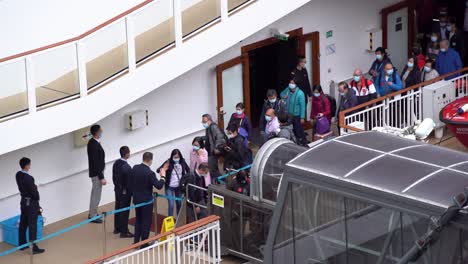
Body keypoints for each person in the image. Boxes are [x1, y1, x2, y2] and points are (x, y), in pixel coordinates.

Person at [132, 152, 165, 248]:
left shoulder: (135, 168)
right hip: (146, 201)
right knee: (146, 221)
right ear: (150, 160)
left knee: (138, 220)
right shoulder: (150, 173)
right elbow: (159, 186)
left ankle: (136, 242)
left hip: (137, 199)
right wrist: (163, 176)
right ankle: (144, 243)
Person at [16, 158, 45, 254]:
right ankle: (33, 248)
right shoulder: (29, 178)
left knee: (23, 223)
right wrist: (35, 189)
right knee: (32, 225)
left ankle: (22, 244)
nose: (30, 166)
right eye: (29, 164)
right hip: (31, 204)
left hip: (23, 202)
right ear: (27, 165)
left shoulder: (18, 175)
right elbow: (34, 195)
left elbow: (25, 187)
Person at [156, 149, 190, 217]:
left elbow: (188, 170)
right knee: (171, 205)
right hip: (169, 187)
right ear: (172, 157)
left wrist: (185, 180)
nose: (176, 159)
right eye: (175, 157)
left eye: (177, 157)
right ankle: (170, 220)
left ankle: (178, 219)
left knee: (179, 203)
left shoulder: (182, 161)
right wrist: (164, 168)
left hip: (179, 187)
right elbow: (158, 170)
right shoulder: (168, 162)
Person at [112, 146, 133, 238]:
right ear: (127, 154)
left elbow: (115, 178)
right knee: (124, 211)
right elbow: (129, 182)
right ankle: (124, 232)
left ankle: (117, 228)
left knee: (118, 209)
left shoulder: (116, 163)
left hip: (117, 190)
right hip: (125, 192)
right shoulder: (127, 167)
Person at [87, 124, 106, 223]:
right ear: (97, 132)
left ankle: (93, 212)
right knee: (96, 195)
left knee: (96, 194)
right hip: (97, 174)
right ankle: (93, 215)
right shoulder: (93, 145)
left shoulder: (93, 142)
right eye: (100, 130)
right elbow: (96, 162)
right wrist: (101, 177)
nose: (102, 131)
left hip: (96, 172)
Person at [280, 79, 307, 145]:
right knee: (291, 130)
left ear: (296, 84)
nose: (290, 84)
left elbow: (303, 106)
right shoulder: (287, 90)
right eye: (290, 82)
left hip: (296, 115)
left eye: (292, 83)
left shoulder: (300, 93)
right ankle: (294, 143)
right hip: (288, 115)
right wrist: (284, 96)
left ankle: (303, 142)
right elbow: (281, 94)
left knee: (298, 130)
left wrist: (302, 117)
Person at [201, 114, 226, 178]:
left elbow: (220, 137)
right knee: (213, 167)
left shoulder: (213, 127)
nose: (203, 123)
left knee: (212, 168)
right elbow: (209, 137)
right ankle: (218, 180)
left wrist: (216, 148)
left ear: (209, 120)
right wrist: (201, 138)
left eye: (204, 121)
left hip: (213, 151)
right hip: (210, 150)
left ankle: (221, 180)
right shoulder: (208, 127)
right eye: (202, 121)